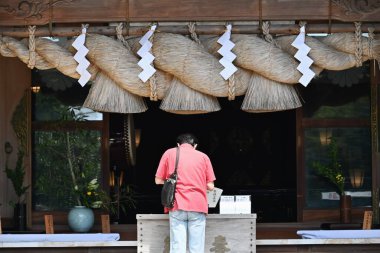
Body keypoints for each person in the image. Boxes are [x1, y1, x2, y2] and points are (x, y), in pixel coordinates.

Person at [155, 133, 216, 253]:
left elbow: (158, 180)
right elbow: (210, 186)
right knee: (197, 247)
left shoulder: (169, 153)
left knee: (177, 246)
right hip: (198, 205)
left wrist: (172, 182)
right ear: (195, 145)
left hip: (176, 204)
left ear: (178, 144)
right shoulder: (203, 157)